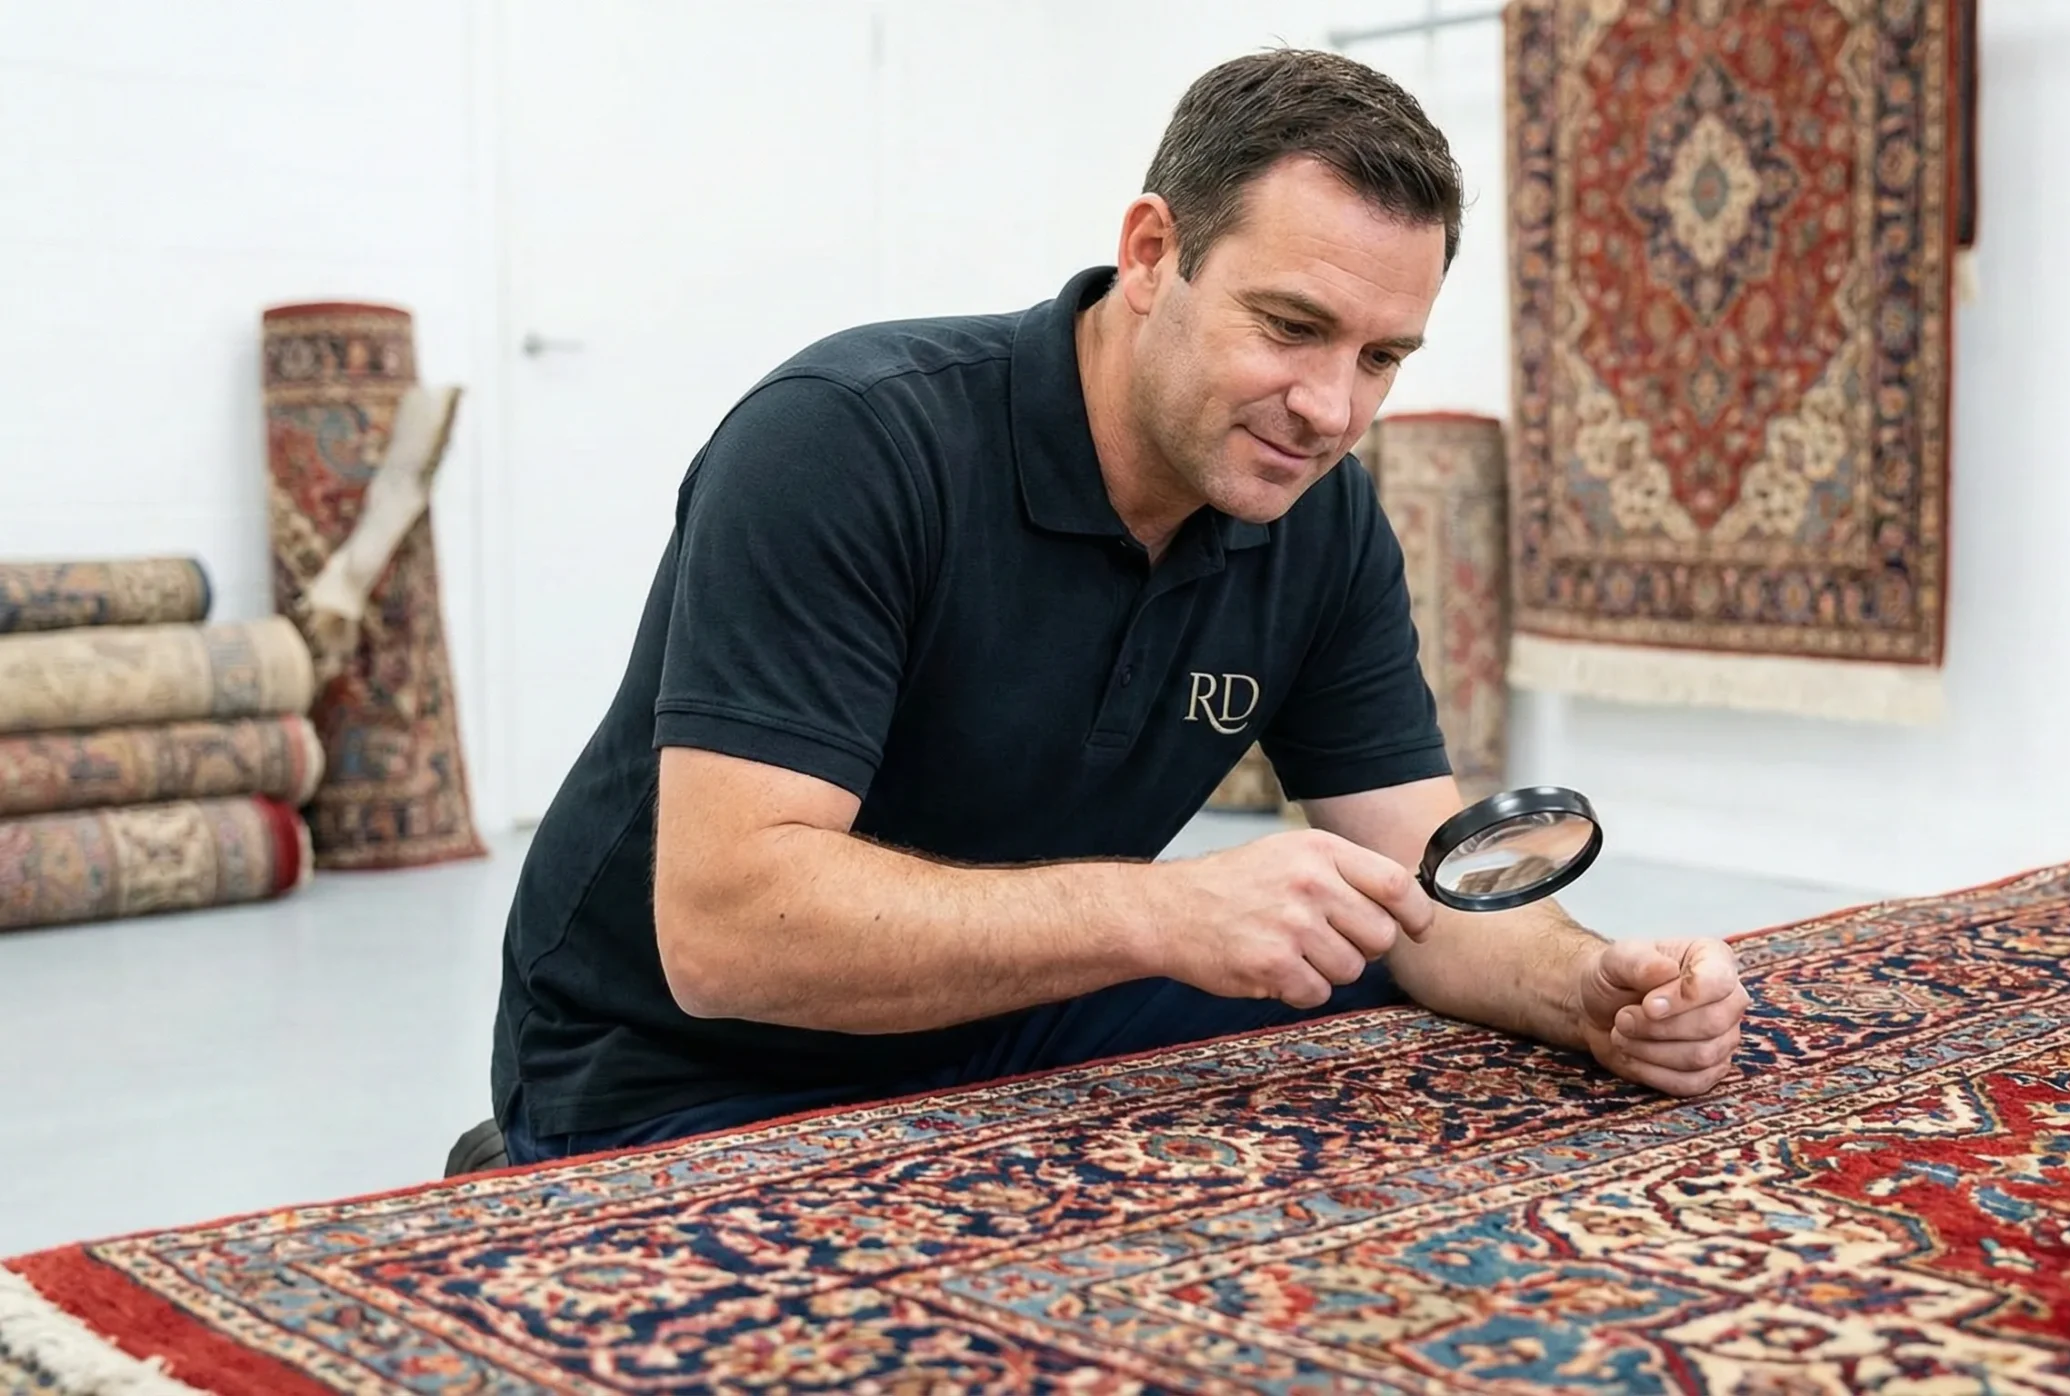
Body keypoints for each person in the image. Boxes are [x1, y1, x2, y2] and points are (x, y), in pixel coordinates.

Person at [484, 47, 1749, 1167]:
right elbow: (724, 935)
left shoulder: (1320, 516)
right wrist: (1163, 910)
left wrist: (1585, 987)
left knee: (1384, 1001)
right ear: (1152, 254)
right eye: (1291, 326)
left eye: (1379, 357)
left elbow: (1427, 885)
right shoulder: (843, 443)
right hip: (678, 1068)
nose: (1330, 409)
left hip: (1019, 1018)